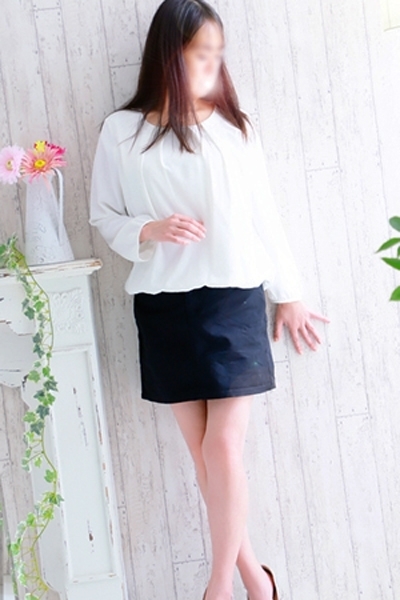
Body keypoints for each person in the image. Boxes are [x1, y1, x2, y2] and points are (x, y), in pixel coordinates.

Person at [89, 1, 330, 599]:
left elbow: (264, 215)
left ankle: (218, 585)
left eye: (217, 53)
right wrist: (149, 228)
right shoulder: (121, 131)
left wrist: (290, 294)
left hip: (231, 297)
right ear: (170, 55)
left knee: (221, 446)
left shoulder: (233, 130)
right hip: (162, 305)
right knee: (204, 458)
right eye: (201, 52)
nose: (212, 64)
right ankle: (256, 578)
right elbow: (104, 215)